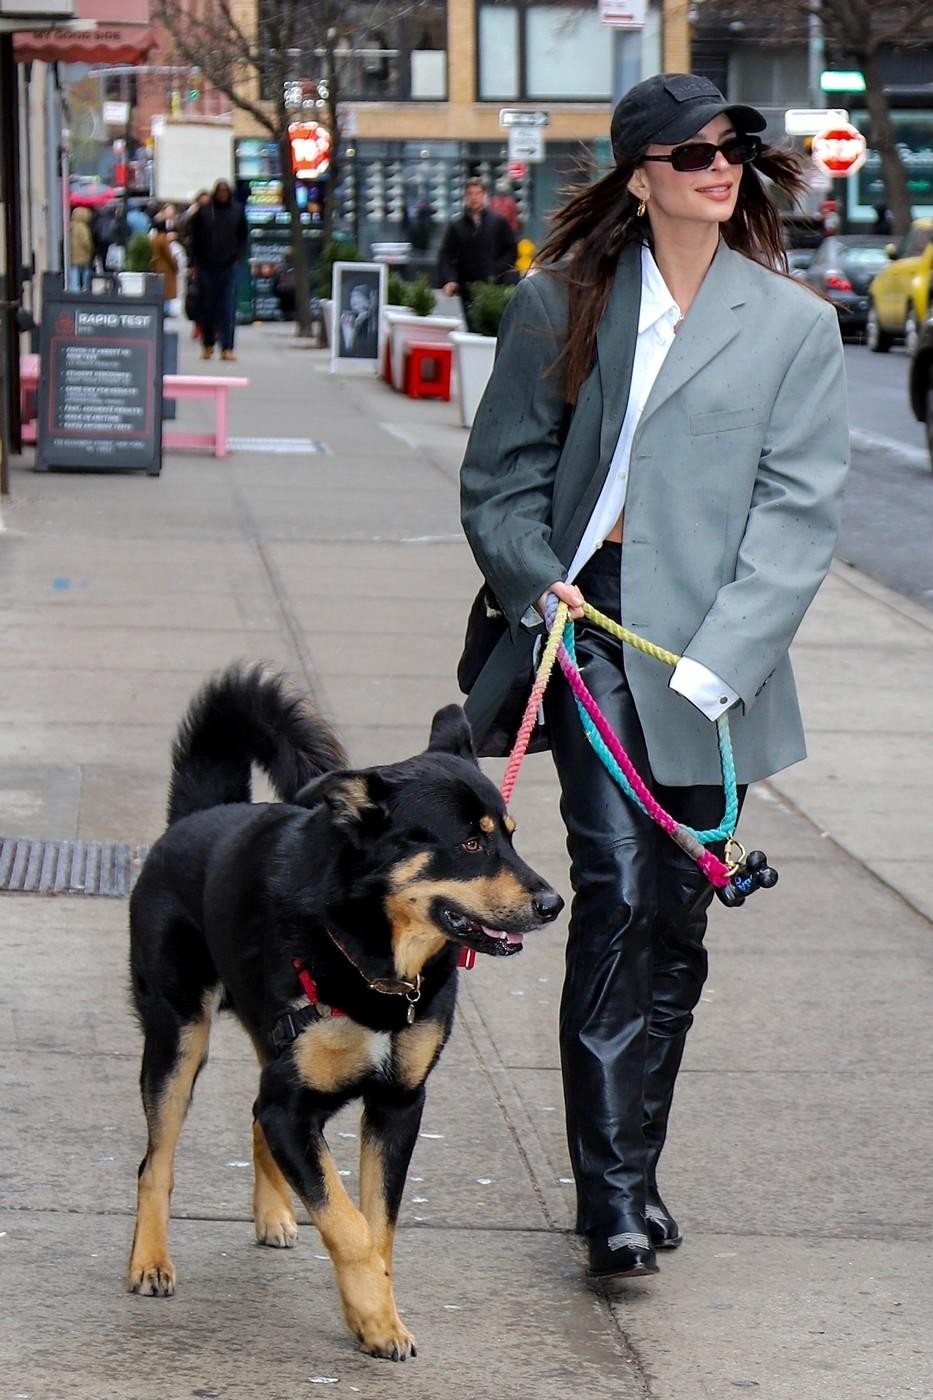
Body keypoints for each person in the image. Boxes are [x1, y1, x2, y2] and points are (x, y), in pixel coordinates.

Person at [459, 74, 849, 1288]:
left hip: (719, 653)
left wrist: (729, 658)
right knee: (617, 889)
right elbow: (501, 481)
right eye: (690, 154)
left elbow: (798, 512)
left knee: (678, 921)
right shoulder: (559, 301)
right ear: (640, 177)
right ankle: (610, 1196)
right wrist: (542, 582)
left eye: (733, 147)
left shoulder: (794, 325)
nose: (719, 167)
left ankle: (638, 1156)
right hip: (590, 630)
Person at [437, 178, 518, 330]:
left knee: (494, 327)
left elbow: (511, 250)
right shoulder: (457, 226)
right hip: (467, 287)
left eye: (478, 193)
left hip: (494, 286)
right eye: (470, 194)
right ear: (466, 197)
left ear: (485, 195)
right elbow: (446, 254)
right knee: (472, 327)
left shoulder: (498, 222)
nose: (474, 197)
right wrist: (450, 280)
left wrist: (497, 271)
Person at [187, 180, 248, 361]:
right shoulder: (204, 213)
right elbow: (194, 238)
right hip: (206, 266)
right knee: (208, 308)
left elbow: (243, 236)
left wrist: (238, 258)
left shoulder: (236, 211)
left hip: (228, 266)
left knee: (227, 308)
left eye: (225, 191)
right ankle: (208, 344)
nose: (222, 194)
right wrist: (195, 263)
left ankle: (227, 347)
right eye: (219, 191)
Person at [149, 204, 180, 314]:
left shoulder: (153, 238)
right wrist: (175, 266)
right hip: (166, 268)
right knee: (166, 291)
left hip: (157, 267)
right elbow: (168, 255)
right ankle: (166, 311)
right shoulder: (163, 239)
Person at [338, 280, 379, 357]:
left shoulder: (374, 320)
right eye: (352, 297)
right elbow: (348, 349)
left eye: (358, 297)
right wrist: (354, 328)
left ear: (368, 301)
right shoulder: (348, 319)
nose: (353, 301)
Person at [68, 206, 94, 291]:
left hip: (72, 253)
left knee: (74, 271)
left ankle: (74, 288)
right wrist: (91, 249)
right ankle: (86, 287)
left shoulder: (71, 226)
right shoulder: (83, 228)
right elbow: (86, 242)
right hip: (83, 254)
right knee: (85, 272)